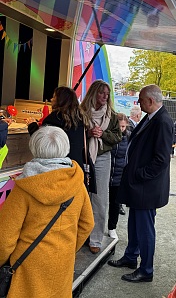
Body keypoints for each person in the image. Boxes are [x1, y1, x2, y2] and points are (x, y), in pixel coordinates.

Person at [0, 126, 94, 298]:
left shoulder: (24, 188)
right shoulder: (77, 183)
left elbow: (4, 239)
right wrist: (68, 248)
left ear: (34, 147)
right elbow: (87, 224)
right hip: (63, 261)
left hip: (27, 265)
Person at [107, 84, 173, 283]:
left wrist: (138, 175)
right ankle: (130, 257)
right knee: (135, 225)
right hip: (141, 185)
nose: (138, 103)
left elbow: (161, 160)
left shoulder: (162, 121)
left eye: (141, 100)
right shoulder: (153, 117)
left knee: (144, 229)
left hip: (146, 187)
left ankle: (146, 269)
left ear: (151, 101)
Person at [80, 79, 122, 254]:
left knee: (99, 198)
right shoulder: (81, 112)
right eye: (101, 92)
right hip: (83, 157)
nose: (105, 96)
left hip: (103, 157)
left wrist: (102, 134)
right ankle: (81, 235)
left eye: (107, 93)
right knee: (82, 196)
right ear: (94, 93)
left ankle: (95, 238)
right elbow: (74, 132)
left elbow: (118, 137)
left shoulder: (111, 115)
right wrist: (88, 133)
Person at [27, 86, 85, 170]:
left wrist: (32, 126)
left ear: (60, 100)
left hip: (58, 169)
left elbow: (43, 144)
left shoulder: (54, 118)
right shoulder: (80, 119)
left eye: (54, 97)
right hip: (76, 168)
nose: (51, 99)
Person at [108, 113, 131, 240]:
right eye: (119, 126)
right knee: (100, 203)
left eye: (123, 126)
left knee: (115, 204)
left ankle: (112, 227)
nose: (121, 129)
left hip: (119, 175)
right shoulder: (109, 135)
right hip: (106, 172)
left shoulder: (128, 136)